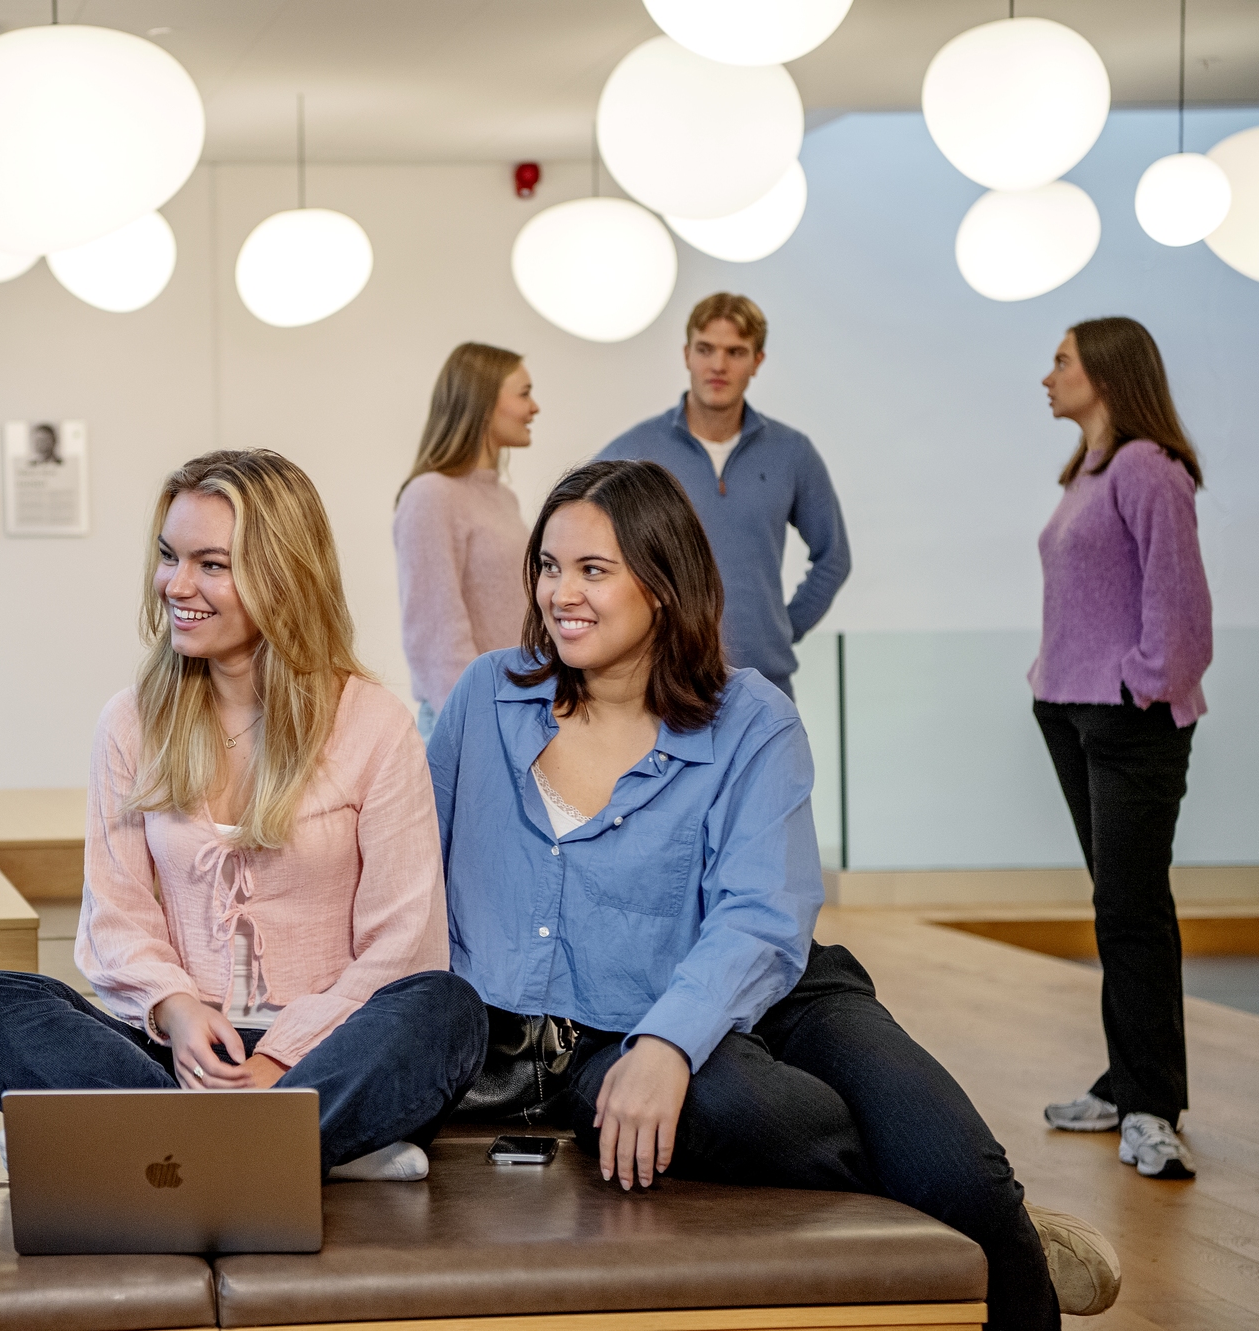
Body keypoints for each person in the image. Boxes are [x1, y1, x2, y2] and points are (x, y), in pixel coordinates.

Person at [431, 458, 1119, 1328]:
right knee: (734, 1103)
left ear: (665, 584)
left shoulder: (750, 718)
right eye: (548, 566)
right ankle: (976, 1212)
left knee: (957, 1162)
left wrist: (671, 1042)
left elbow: (763, 917)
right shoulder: (487, 697)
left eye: (593, 569)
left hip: (784, 991)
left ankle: (982, 1212)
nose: (560, 592)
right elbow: (415, 861)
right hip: (627, 1014)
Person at [0, 449, 486, 1180]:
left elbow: (402, 947)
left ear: (284, 574)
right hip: (177, 1051)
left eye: (211, 564)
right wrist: (177, 1010)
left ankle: (157, 1141)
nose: (177, 584)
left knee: (445, 1011)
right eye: (170, 557)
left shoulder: (374, 723)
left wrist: (275, 1061)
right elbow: (117, 917)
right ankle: (299, 1147)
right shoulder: (131, 722)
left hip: (327, 1046)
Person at [1032, 317, 1212, 1180]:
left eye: (1061, 361)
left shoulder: (1147, 468)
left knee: (1133, 909)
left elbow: (1181, 616)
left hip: (1126, 718)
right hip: (1073, 709)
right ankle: (1127, 1080)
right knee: (1118, 904)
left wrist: (1136, 684)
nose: (1048, 376)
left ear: (1104, 371)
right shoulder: (1089, 472)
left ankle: (1153, 1109)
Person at [598, 293, 847, 699]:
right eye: (705, 349)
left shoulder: (792, 452)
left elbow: (833, 557)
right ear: (686, 355)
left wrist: (783, 627)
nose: (718, 365)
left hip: (765, 684)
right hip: (659, 683)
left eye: (735, 352)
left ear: (757, 361)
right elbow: (589, 554)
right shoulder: (633, 452)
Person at [393, 342, 536, 739]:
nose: (534, 408)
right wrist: (479, 725)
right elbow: (435, 631)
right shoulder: (431, 495)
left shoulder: (503, 497)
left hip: (515, 712)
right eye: (524, 394)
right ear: (484, 402)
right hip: (468, 721)